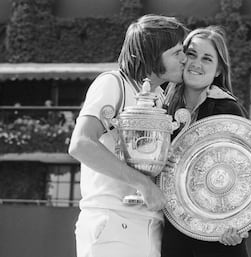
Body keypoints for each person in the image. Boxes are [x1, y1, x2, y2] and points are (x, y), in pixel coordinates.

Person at [68, 14, 187, 257]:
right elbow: (81, 144)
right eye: (176, 52)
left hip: (148, 224)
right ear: (153, 54)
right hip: (112, 221)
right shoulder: (113, 83)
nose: (184, 59)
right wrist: (142, 183)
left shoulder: (160, 98)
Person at [162, 26, 251, 257]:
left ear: (218, 70)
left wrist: (240, 226)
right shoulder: (159, 104)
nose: (197, 63)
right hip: (173, 233)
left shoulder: (228, 109)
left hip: (218, 239)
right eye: (192, 54)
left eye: (207, 59)